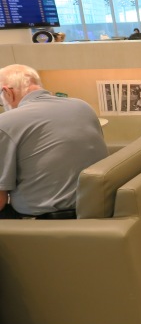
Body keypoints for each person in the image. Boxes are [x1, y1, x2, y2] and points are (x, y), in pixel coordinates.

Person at [0, 64, 108, 219]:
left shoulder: (5, 123)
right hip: (96, 206)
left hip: (44, 220)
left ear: (7, 92)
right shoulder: (82, 106)